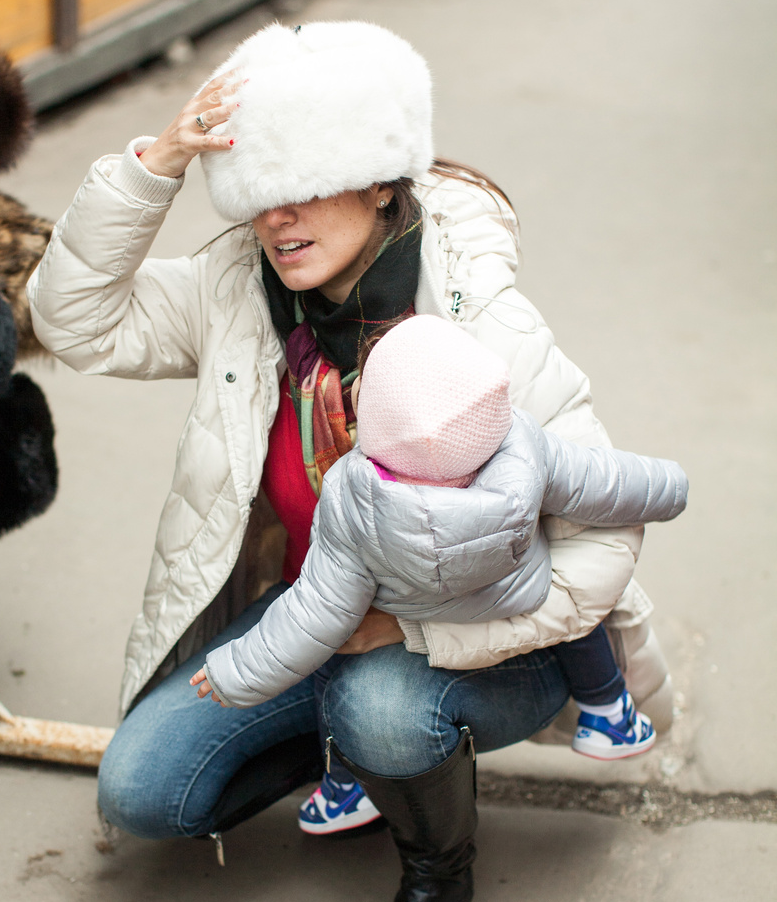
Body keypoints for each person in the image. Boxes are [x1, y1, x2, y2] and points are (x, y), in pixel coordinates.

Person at [27, 19, 669, 902]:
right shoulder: (238, 293)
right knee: (144, 795)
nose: (276, 220)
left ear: (378, 179)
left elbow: (602, 548)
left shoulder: (477, 313)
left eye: (306, 182)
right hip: (310, 618)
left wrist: (407, 631)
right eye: (255, 194)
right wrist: (153, 165)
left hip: (492, 639)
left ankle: (434, 873)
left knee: (382, 701)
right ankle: (355, 752)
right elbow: (74, 319)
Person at [190, 314, 688, 776]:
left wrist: (235, 672)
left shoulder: (352, 500)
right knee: (574, 598)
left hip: (414, 612)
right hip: (514, 594)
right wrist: (674, 486)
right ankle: (607, 713)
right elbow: (605, 482)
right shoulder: (521, 448)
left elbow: (310, 615)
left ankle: (342, 784)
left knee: (334, 654)